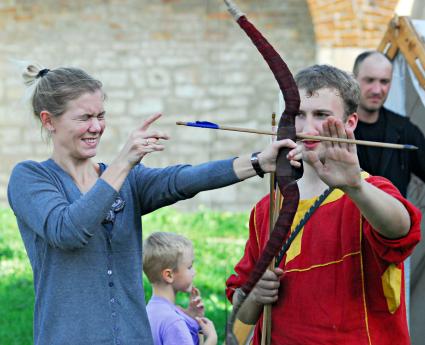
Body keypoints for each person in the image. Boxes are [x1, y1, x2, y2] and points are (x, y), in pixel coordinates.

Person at [7, 64, 288, 345]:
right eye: (84, 118)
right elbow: (69, 230)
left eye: (101, 115)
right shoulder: (30, 177)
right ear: (48, 121)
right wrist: (122, 163)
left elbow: (182, 180)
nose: (96, 127)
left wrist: (259, 162)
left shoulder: (125, 179)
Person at [226, 65, 422, 345]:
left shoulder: (369, 191)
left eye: (321, 115)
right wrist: (255, 295)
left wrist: (355, 186)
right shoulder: (267, 208)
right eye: (298, 115)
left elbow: (401, 231)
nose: (307, 129)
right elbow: (240, 316)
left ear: (351, 123)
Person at [352, 51, 425, 197]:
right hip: (349, 219)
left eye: (384, 81)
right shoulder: (336, 127)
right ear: (354, 80)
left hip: (395, 219)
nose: (377, 90)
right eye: (370, 80)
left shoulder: (404, 129)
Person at [143, 232, 217, 345]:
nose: (194, 272)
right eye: (190, 267)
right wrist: (212, 339)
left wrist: (192, 318)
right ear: (169, 275)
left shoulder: (149, 311)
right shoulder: (173, 322)